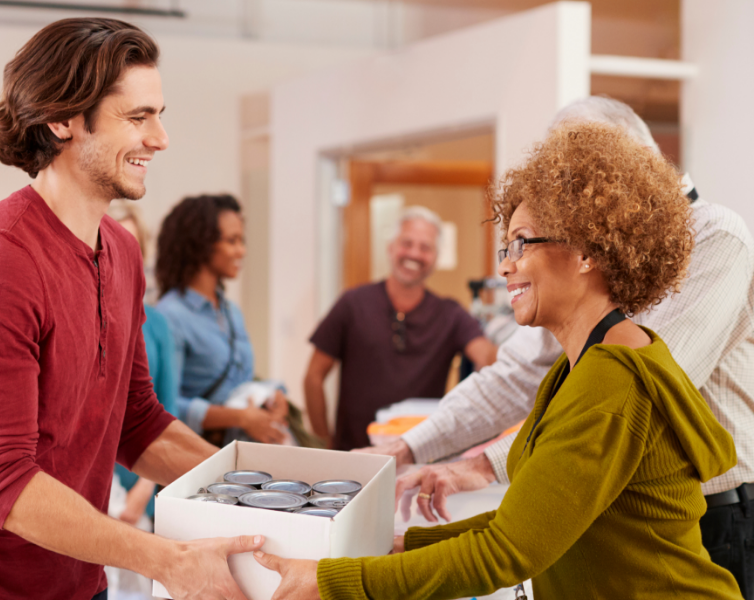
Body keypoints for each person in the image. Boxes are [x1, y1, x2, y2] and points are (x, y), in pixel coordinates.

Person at [256, 121, 743, 600]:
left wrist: (331, 582)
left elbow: (504, 552)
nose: (505, 264)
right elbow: (532, 521)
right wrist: (397, 546)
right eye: (505, 246)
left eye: (522, 243)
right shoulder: (583, 363)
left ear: (587, 252)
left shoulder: (610, 381)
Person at [0, 18, 263, 600]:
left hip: (76, 579)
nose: (161, 138)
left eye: (159, 114)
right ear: (63, 119)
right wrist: (167, 560)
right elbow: (0, 481)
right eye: (138, 117)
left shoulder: (119, 251)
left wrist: (264, 484)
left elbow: (137, 423)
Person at [305, 206, 497, 451]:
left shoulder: (451, 314)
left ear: (436, 258)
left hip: (421, 458)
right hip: (353, 456)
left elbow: (486, 357)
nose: (415, 254)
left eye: (425, 247)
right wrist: (323, 445)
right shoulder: (353, 304)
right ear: (391, 248)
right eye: (407, 243)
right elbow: (313, 376)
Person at [154, 194, 289, 445]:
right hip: (203, 453)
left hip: (244, 449)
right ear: (200, 244)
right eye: (232, 240)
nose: (242, 250)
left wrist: (273, 397)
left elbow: (240, 384)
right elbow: (163, 405)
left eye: (242, 240)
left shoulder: (231, 311)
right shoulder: (170, 315)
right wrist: (238, 418)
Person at [107, 200, 179, 527]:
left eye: (130, 245)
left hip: (138, 484)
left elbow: (164, 413)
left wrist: (142, 492)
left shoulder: (158, 325)